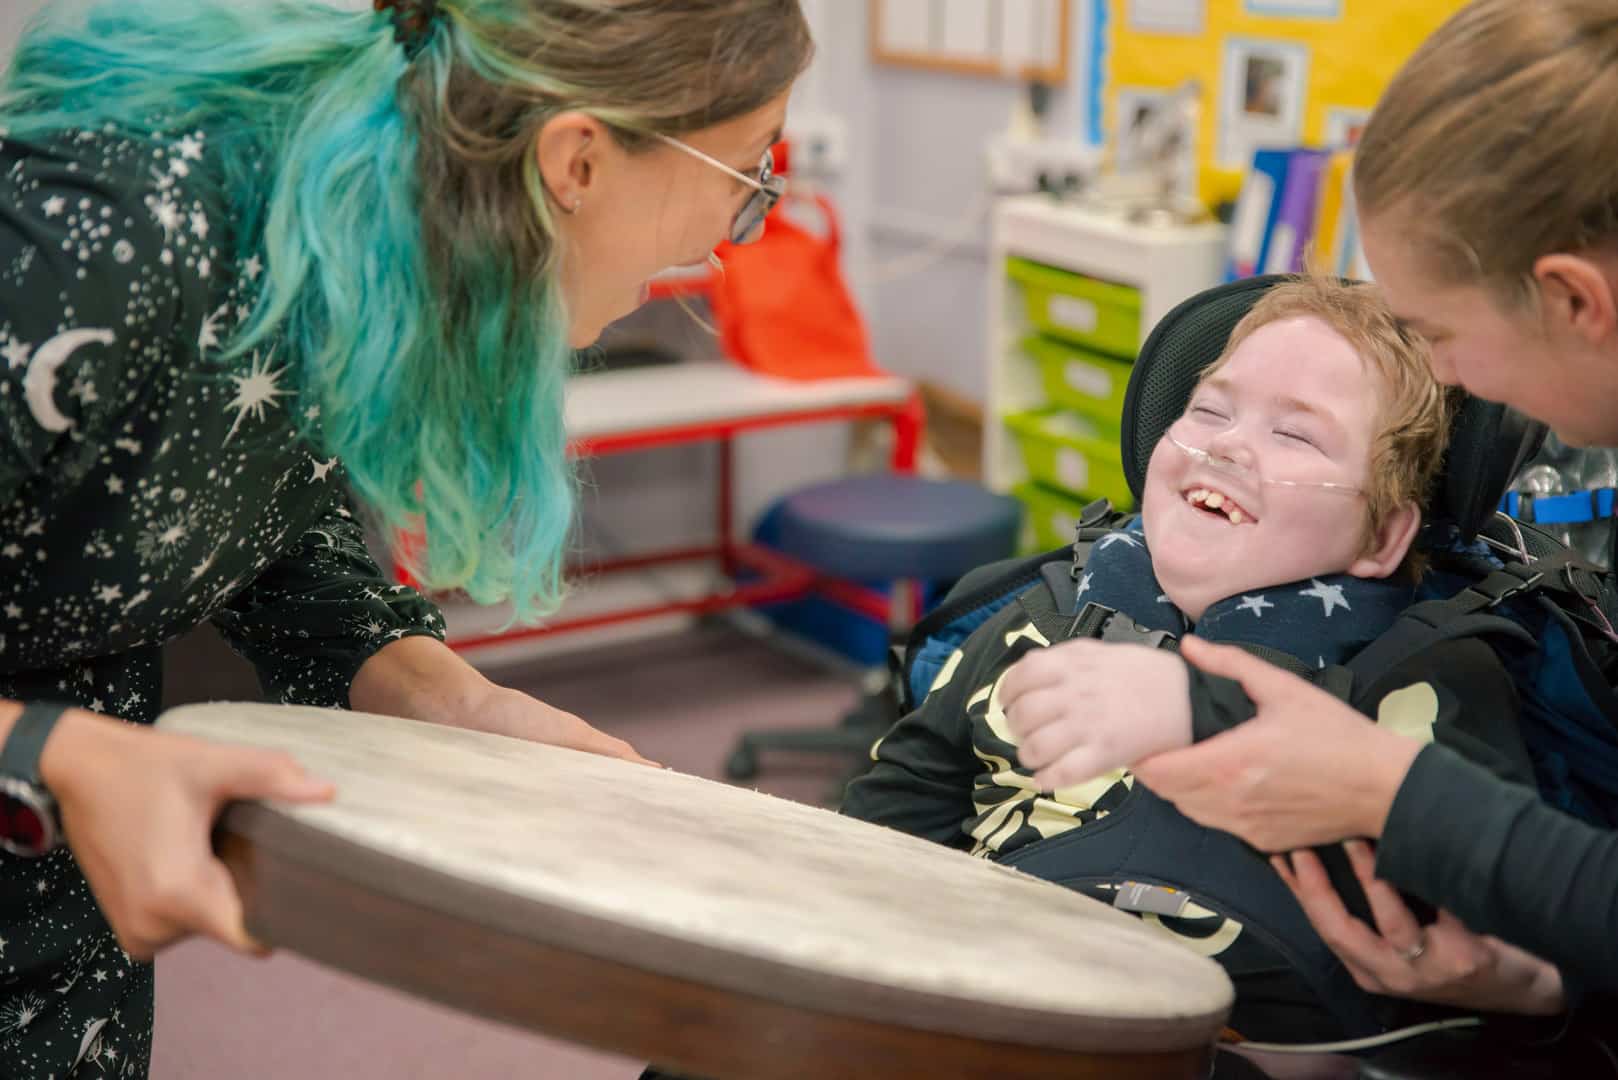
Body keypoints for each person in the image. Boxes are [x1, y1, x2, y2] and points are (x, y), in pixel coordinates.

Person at [0, 0, 811, 1072]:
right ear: (577, 160)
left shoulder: (341, 244)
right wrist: (54, 752)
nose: (731, 235)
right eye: (748, 175)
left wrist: (451, 700)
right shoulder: (102, 236)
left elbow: (253, 518)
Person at [1005, 0, 1617, 1020]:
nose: (1440, 375)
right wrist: (1547, 984)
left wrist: (1389, 793)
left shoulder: (1438, 673)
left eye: (1434, 331)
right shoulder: (1051, 603)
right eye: (1213, 409)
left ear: (1572, 301)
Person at [841, 278, 1542, 1039]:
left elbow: (1494, 908)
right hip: (986, 989)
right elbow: (898, 804)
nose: (1227, 443)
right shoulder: (1041, 618)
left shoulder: (1426, 677)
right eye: (1209, 410)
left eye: (1296, 435)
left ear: (1382, 537)